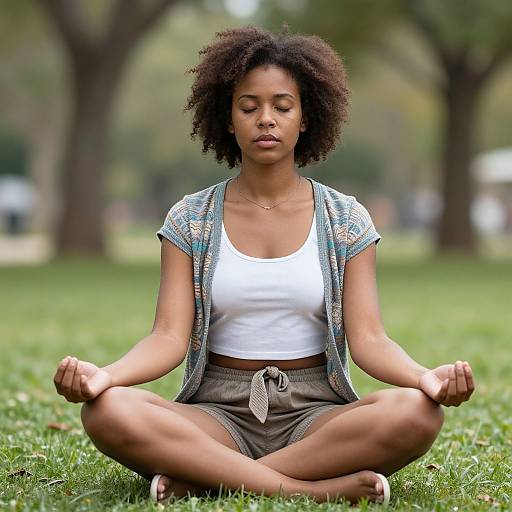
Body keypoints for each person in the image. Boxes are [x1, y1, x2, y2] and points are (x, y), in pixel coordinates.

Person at [53, 24, 475, 506]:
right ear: (228, 120)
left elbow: (370, 340)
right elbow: (167, 337)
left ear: (306, 118)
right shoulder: (190, 219)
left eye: (282, 106)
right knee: (105, 411)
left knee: (417, 414)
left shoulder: (346, 218)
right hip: (216, 413)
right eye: (249, 107)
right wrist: (104, 376)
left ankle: (207, 479)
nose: (266, 120)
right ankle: (309, 490)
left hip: (317, 413)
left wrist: (425, 378)